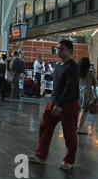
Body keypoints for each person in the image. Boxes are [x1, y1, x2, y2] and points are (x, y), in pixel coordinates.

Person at [28, 40, 80, 170]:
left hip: (68, 104)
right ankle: (40, 155)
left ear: (70, 50)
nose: (59, 50)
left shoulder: (72, 66)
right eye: (58, 48)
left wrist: (60, 105)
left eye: (62, 48)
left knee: (69, 133)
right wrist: (54, 102)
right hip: (55, 102)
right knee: (44, 127)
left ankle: (69, 160)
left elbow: (70, 87)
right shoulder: (58, 66)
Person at [77, 57, 97, 135]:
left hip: (78, 92)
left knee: (78, 110)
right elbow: (95, 83)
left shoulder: (77, 72)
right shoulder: (90, 72)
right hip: (86, 93)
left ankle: (76, 126)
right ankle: (79, 128)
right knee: (83, 111)